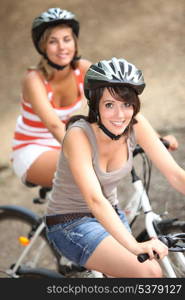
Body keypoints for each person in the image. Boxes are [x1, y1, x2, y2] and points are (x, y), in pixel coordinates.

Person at [45, 57, 185, 278]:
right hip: (70, 223)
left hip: (111, 213)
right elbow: (94, 199)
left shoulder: (135, 123)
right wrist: (135, 246)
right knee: (148, 273)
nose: (120, 115)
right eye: (109, 105)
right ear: (95, 105)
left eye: (127, 104)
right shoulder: (78, 136)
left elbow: (176, 175)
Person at [11, 8, 92, 187]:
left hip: (63, 142)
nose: (62, 47)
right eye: (53, 41)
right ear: (43, 47)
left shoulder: (83, 69)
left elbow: (118, 98)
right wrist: (83, 151)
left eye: (67, 39)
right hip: (33, 148)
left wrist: (155, 138)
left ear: (75, 43)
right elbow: (55, 125)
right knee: (86, 173)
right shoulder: (34, 79)